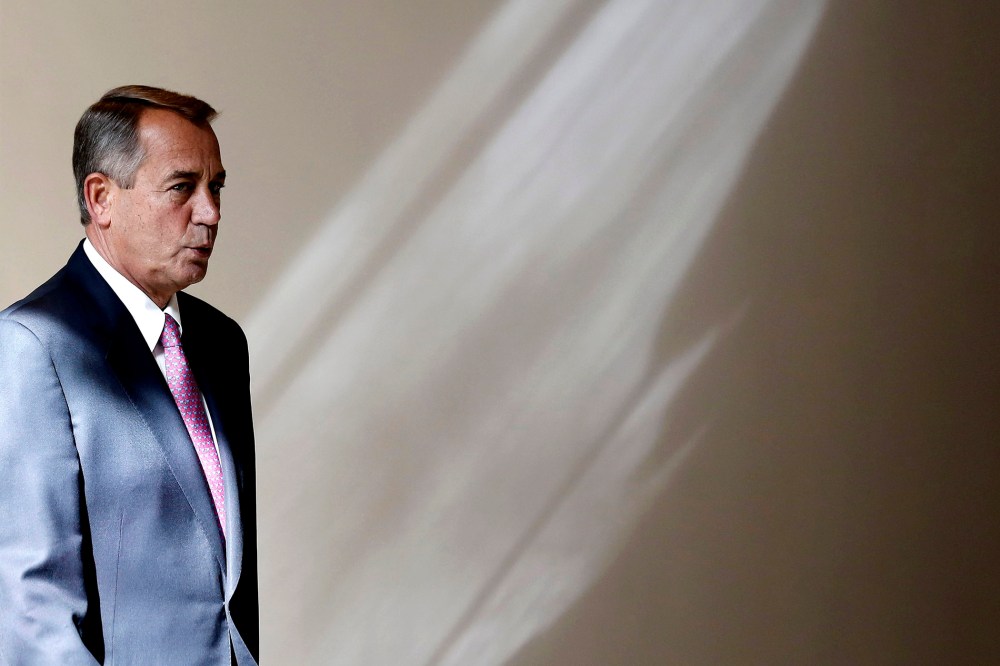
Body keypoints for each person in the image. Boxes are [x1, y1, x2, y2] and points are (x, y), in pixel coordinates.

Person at [0, 85, 258, 664]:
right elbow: (32, 604)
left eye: (215, 187)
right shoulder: (33, 344)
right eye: (182, 188)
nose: (211, 212)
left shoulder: (221, 344)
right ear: (101, 198)